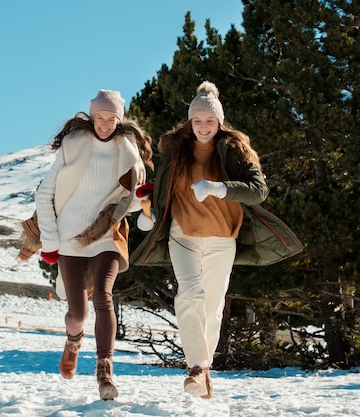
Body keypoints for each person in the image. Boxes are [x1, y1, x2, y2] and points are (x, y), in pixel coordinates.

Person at [130, 81, 303, 399]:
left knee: (211, 306)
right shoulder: (175, 150)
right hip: (183, 236)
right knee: (189, 295)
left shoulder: (235, 150)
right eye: (197, 120)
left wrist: (219, 188)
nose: (203, 127)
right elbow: (162, 188)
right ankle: (196, 367)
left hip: (223, 238)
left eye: (209, 121)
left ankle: (204, 369)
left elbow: (258, 190)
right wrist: (148, 214)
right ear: (190, 121)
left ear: (219, 122)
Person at [34, 89, 153, 401]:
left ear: (119, 119)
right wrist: (50, 242)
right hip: (70, 239)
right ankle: (73, 340)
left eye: (111, 119)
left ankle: (104, 371)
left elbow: (128, 202)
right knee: (78, 313)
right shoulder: (73, 146)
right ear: (92, 117)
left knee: (104, 295)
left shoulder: (127, 150)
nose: (105, 124)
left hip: (106, 236)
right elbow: (44, 195)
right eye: (100, 118)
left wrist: (141, 198)